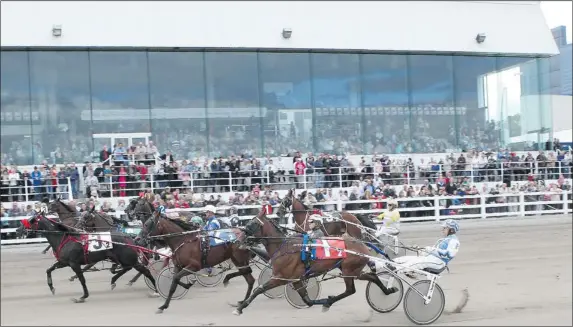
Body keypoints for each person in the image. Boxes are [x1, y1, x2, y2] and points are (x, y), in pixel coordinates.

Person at [391, 219, 460, 273]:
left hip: (439, 262)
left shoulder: (454, 241)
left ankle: (395, 269)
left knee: (417, 262)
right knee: (409, 258)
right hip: (432, 259)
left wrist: (431, 250)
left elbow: (449, 254)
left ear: (451, 230)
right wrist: (421, 250)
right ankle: (392, 262)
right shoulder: (443, 240)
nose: (442, 230)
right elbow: (432, 251)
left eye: (445, 228)